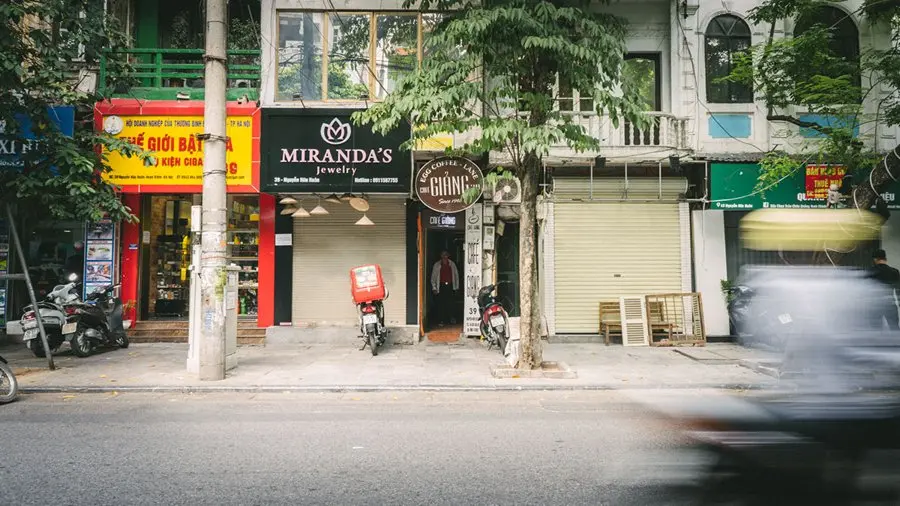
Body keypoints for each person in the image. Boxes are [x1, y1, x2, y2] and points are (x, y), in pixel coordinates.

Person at [869, 249, 900, 330]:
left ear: (875, 259)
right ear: (885, 258)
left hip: (875, 305)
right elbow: (898, 290)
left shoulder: (870, 272)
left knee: (875, 330)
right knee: (894, 329)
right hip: (890, 304)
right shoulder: (895, 272)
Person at [430, 250, 459, 327]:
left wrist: (456, 287)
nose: (444, 256)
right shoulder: (437, 265)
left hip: (450, 286)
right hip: (441, 286)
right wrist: (434, 287)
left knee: (451, 303)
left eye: (446, 254)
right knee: (441, 304)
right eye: (443, 255)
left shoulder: (452, 264)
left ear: (448, 255)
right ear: (440, 255)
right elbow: (433, 277)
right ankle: (441, 320)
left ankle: (452, 318)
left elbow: (456, 276)